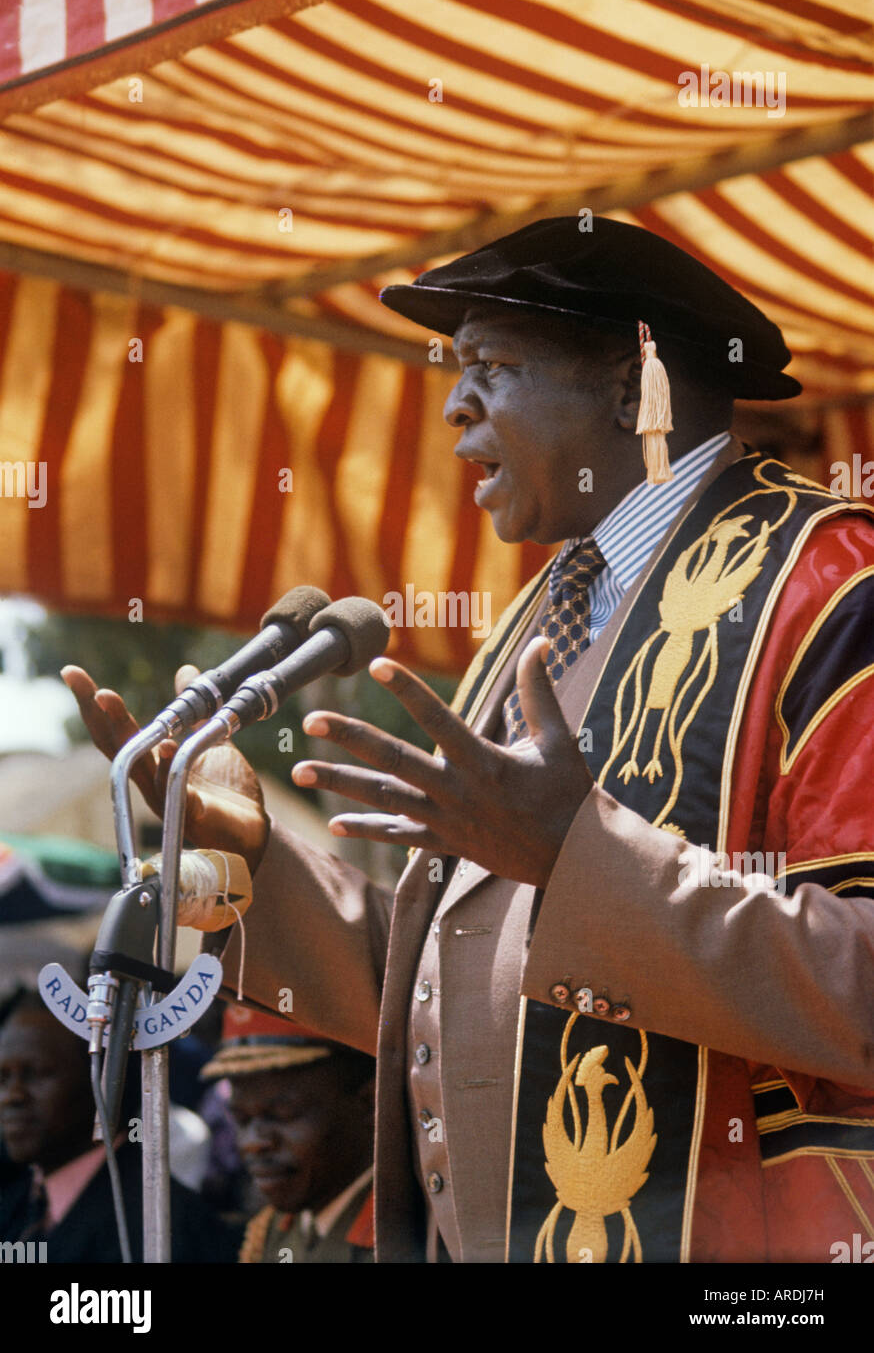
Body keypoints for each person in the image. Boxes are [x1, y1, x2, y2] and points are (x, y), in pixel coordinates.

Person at [63, 217, 874, 1263]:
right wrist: (252, 859)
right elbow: (447, 994)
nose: (452, 402)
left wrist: (584, 865)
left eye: (491, 365)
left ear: (637, 391)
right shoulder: (539, 619)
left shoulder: (827, 584)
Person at [0, 988, 241, 1262]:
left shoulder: (161, 1231)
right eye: (3, 1078)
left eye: (38, 1073)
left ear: (108, 1079)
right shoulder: (20, 1201)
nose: (12, 1096)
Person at [201, 1005, 375, 1263]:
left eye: (282, 1115)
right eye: (241, 1119)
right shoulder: (274, 1229)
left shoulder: (408, 1238)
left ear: (370, 1104)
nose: (252, 1143)